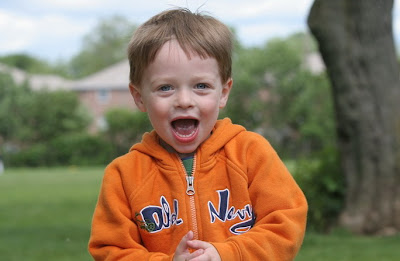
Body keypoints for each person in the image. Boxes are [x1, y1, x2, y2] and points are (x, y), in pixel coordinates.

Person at [88, 8, 307, 261]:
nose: (184, 100)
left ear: (223, 92)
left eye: (201, 86)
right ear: (139, 97)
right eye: (165, 87)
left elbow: (286, 222)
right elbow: (111, 249)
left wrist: (228, 254)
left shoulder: (251, 153)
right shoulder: (124, 175)